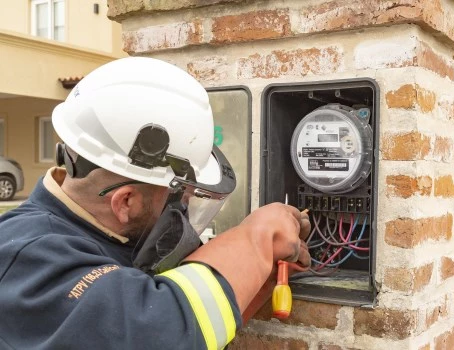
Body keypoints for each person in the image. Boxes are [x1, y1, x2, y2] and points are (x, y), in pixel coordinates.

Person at [0, 57, 310, 350]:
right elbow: (162, 330)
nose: (186, 208)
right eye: (180, 196)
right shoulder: (26, 260)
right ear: (126, 202)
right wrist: (258, 236)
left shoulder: (104, 234)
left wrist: (258, 274)